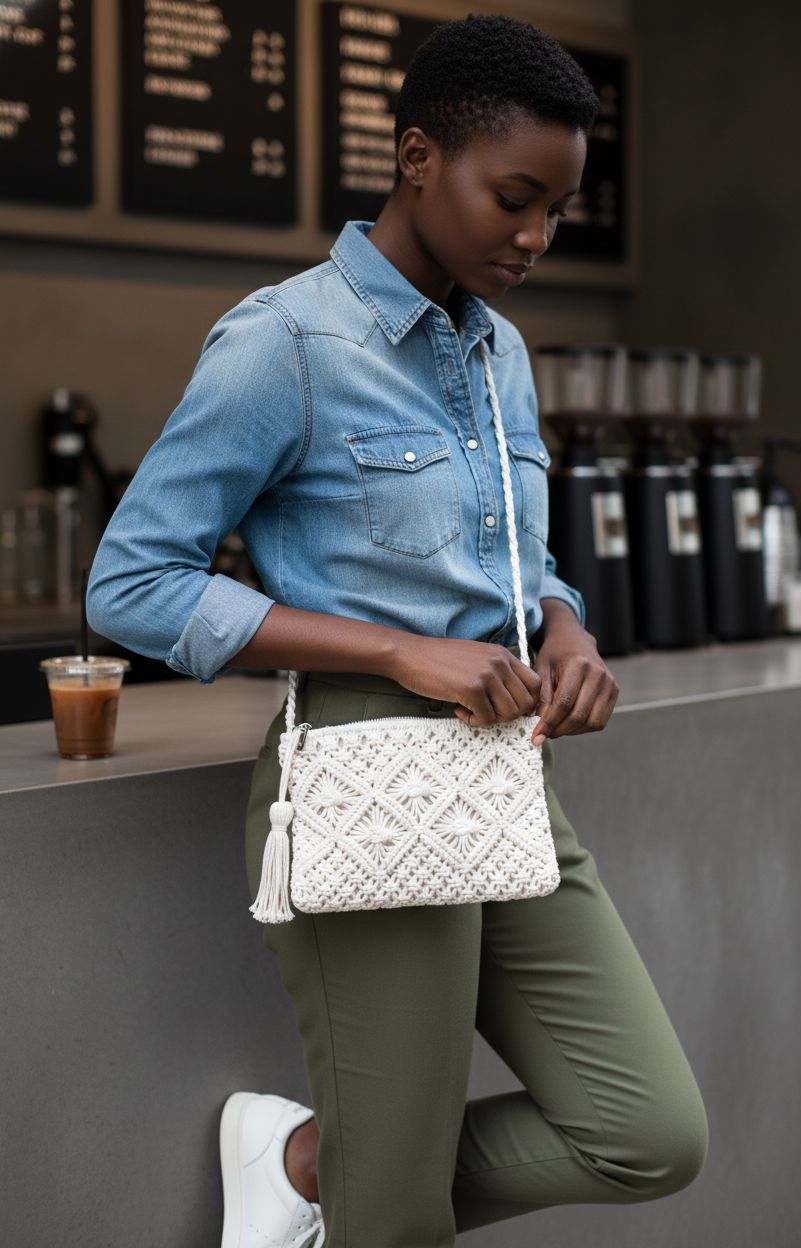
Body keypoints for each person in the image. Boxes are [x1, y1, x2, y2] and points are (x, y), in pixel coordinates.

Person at [86, 14, 709, 1248]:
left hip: (504, 776)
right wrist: (393, 650)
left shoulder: (499, 354)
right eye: (512, 199)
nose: (534, 237)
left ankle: (315, 1165)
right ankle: (368, 1186)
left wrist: (567, 630)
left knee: (646, 1129)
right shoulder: (287, 343)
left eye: (556, 211)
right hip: (366, 770)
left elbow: (519, 559)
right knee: (402, 1213)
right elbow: (132, 583)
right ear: (419, 157)